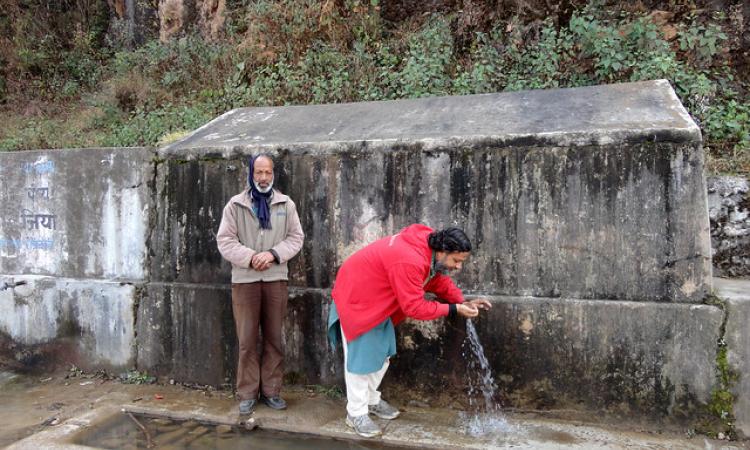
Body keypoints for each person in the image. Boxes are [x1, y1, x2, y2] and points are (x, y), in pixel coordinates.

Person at [327, 224, 491, 437]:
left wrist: (462, 301)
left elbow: (437, 281)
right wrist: (454, 308)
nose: (458, 267)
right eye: (456, 261)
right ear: (442, 252)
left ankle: (370, 401)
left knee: (383, 355)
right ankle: (356, 414)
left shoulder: (429, 252)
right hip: (357, 300)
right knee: (361, 362)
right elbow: (414, 307)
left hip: (379, 302)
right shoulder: (409, 260)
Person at [217, 154, 304, 415]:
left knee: (274, 338)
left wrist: (273, 254)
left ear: (273, 173)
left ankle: (271, 391)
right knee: (246, 339)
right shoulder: (235, 205)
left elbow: (296, 237)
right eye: (258, 172)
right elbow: (225, 241)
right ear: (251, 174)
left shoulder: (285, 204)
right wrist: (251, 258)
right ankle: (246, 392)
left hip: (276, 278)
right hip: (245, 279)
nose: (263, 177)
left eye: (267, 172)